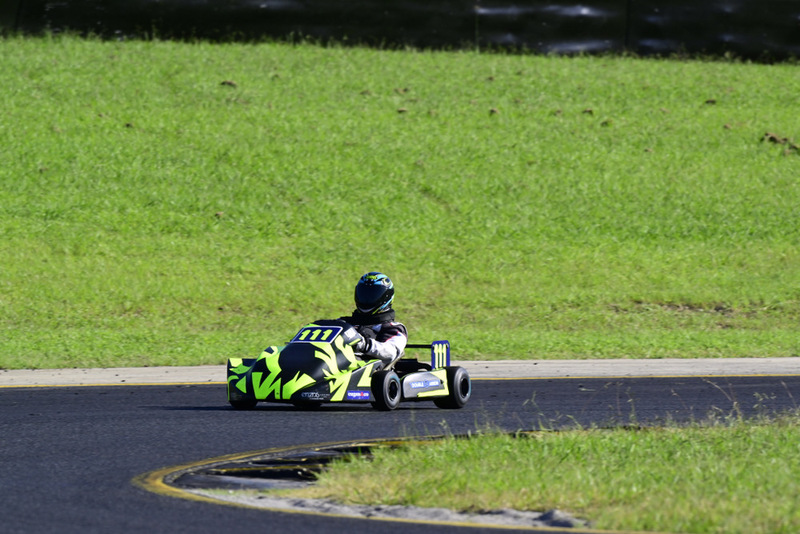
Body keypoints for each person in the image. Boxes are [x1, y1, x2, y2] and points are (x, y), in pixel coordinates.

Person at [340, 272, 408, 366]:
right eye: (363, 294)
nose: (367, 299)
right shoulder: (344, 323)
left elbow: (390, 352)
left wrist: (363, 344)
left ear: (386, 297)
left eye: (372, 295)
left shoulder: (394, 328)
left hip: (366, 369)